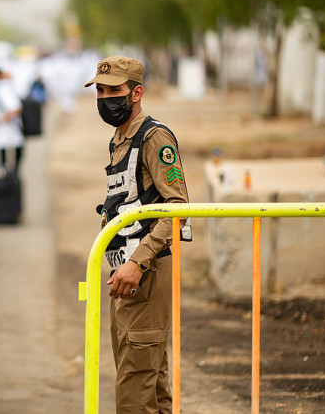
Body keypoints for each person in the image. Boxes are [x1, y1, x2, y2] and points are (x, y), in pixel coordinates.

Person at [85, 55, 189, 414]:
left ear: (136, 92)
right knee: (150, 383)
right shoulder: (120, 137)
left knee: (134, 392)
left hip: (145, 273)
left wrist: (138, 264)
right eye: (100, 90)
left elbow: (177, 208)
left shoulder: (154, 136)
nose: (104, 97)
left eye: (114, 90)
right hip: (126, 277)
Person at [0, 66, 24, 172]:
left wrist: (4, 117)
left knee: (9, 145)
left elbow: (17, 108)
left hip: (9, 125)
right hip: (3, 125)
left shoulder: (4, 88)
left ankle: (13, 172)